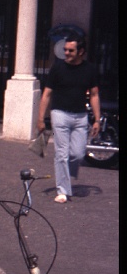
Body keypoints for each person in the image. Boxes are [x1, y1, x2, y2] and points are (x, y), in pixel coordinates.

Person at [37, 34, 101, 203]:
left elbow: (94, 95)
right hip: (60, 114)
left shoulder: (90, 69)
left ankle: (67, 175)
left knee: (78, 154)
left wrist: (97, 119)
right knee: (61, 154)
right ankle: (63, 191)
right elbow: (47, 94)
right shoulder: (57, 68)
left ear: (81, 52)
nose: (66, 53)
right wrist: (41, 119)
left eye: (70, 50)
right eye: (65, 49)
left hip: (80, 117)